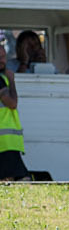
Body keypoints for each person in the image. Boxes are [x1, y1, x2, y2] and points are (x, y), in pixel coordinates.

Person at [0, 46, 29, 181]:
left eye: (4, 57)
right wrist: (11, 80)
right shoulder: (1, 80)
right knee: (18, 180)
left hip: (7, 143)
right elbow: (12, 103)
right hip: (5, 142)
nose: (2, 60)